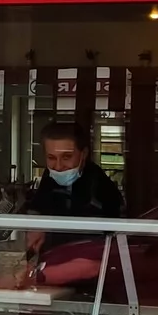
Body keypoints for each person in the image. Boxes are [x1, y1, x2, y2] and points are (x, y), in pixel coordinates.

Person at [21, 122, 124, 286]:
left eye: (67, 157)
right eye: (51, 158)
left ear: (84, 154)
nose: (58, 166)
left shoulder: (101, 189)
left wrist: (35, 276)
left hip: (90, 284)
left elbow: (94, 261)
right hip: (52, 270)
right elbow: (38, 207)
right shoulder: (50, 176)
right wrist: (36, 227)